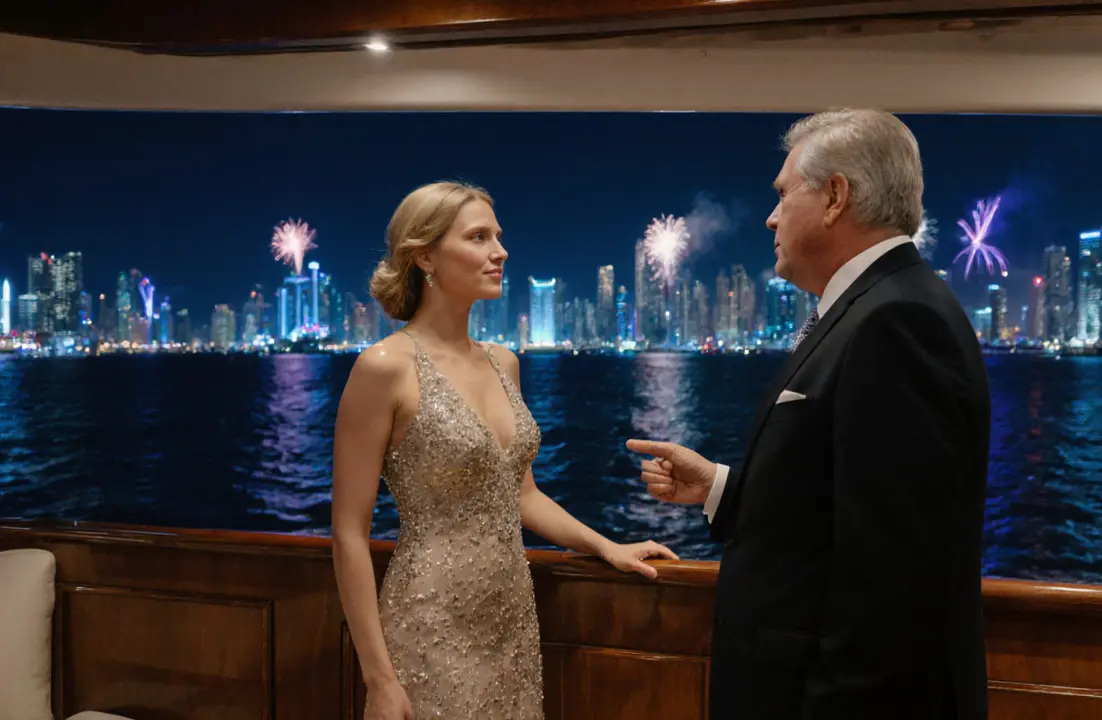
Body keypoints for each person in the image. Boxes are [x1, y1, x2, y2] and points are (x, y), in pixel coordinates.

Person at [627, 110, 990, 719]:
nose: (770, 217)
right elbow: (834, 509)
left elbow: (890, 585)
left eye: (781, 193)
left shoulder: (895, 322)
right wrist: (718, 486)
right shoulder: (876, 306)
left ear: (835, 197)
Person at [332, 181, 678, 720]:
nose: (501, 251)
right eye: (478, 237)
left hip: (512, 620)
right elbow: (349, 534)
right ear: (424, 255)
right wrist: (379, 678)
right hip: (429, 622)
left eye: (499, 236)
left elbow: (521, 494)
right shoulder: (384, 367)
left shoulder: (504, 361)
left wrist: (607, 546)